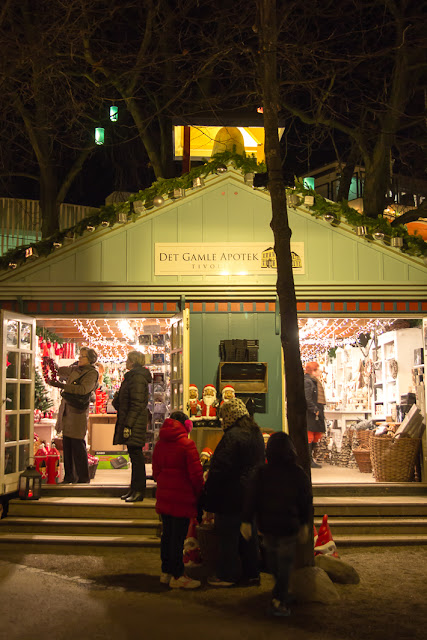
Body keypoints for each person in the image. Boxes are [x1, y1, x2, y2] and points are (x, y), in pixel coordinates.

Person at [240, 432, 312, 617]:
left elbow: (251, 498)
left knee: (274, 562)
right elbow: (305, 500)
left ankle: (279, 598)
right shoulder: (297, 473)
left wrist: (247, 520)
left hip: (269, 524)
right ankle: (281, 595)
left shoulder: (262, 472)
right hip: (288, 524)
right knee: (283, 563)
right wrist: (304, 522)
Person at [202, 398, 265, 587]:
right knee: (248, 535)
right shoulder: (256, 433)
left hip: (231, 493)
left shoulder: (232, 436)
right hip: (251, 492)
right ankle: (252, 573)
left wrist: (209, 493)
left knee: (228, 535)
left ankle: (227, 575)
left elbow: (221, 467)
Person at [152, 411, 204, 589]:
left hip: (165, 497)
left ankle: (166, 572)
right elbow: (196, 476)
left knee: (167, 535)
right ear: (186, 425)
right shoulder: (187, 445)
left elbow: (156, 473)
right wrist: (199, 494)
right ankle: (177, 575)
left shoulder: (159, 445)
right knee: (178, 537)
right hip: (182, 497)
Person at [50, 347, 99, 484]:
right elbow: (62, 370)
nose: (79, 358)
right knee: (67, 444)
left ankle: (83, 477)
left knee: (77, 444)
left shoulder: (91, 373)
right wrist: (51, 364)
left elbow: (83, 390)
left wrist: (63, 386)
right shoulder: (76, 369)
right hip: (68, 410)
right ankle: (69, 476)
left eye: (82, 356)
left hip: (78, 412)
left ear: (90, 360)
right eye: (80, 355)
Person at [113, 351, 152, 502]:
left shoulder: (136, 378)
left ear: (133, 361)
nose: (126, 362)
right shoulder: (133, 377)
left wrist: (129, 425)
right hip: (133, 420)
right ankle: (134, 489)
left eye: (128, 359)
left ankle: (138, 490)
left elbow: (136, 404)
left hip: (134, 422)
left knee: (136, 457)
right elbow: (124, 402)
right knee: (134, 456)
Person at [304, 361, 326, 468]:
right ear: (313, 371)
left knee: (315, 435)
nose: (320, 371)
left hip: (314, 413)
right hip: (311, 414)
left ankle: (310, 459)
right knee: (310, 436)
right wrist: (314, 409)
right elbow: (307, 398)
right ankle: (309, 460)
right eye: (318, 369)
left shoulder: (312, 381)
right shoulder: (308, 382)